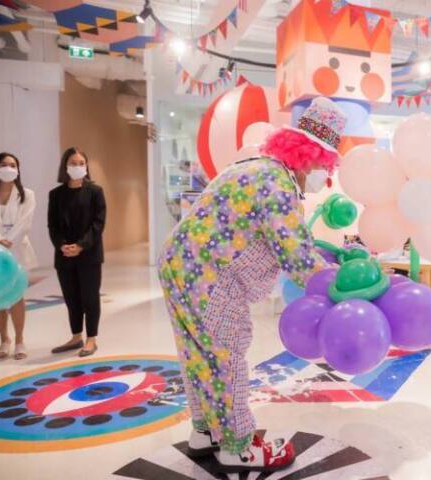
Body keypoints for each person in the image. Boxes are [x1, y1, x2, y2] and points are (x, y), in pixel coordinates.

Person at [157, 97, 345, 473]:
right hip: (211, 275)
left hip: (180, 263)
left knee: (198, 353)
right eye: (322, 166)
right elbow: (296, 256)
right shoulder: (277, 183)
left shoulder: (256, 167)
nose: (322, 175)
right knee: (225, 354)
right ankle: (236, 447)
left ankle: (205, 431)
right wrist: (338, 283)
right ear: (308, 155)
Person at [48, 147, 106, 357]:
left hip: (89, 255)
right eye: (73, 163)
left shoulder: (95, 192)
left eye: (82, 163)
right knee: (71, 298)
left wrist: (81, 246)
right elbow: (52, 226)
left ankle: (91, 339)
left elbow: (98, 224)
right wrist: (62, 245)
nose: (78, 166)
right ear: (65, 166)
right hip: (64, 255)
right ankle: (75, 337)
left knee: (90, 297)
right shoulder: (56, 195)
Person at [0, 152, 37, 360]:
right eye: (4, 164)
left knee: (17, 295)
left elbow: (25, 223)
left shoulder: (27, 195)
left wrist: (8, 240)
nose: (9, 168)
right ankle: (4, 339)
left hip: (16, 249)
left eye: (13, 165)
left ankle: (19, 340)